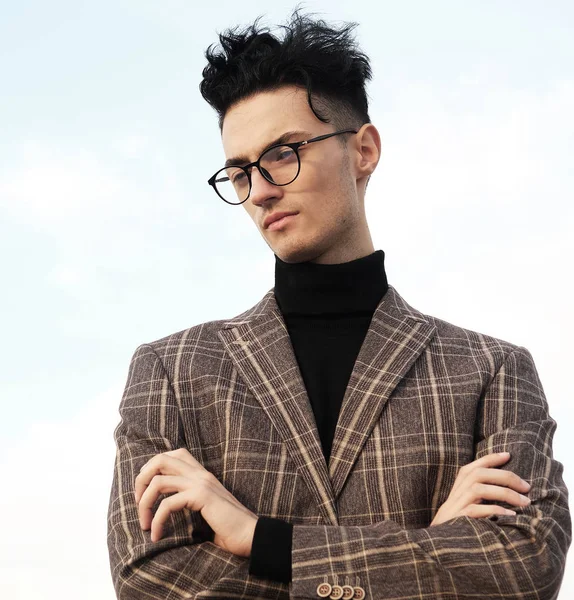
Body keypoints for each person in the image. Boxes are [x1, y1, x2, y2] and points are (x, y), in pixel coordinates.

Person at [106, 10, 571, 599]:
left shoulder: (490, 371)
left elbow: (523, 569)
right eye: (238, 171)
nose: (261, 190)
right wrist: (430, 544)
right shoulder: (172, 371)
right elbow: (149, 582)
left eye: (282, 153)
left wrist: (263, 539)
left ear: (365, 150)